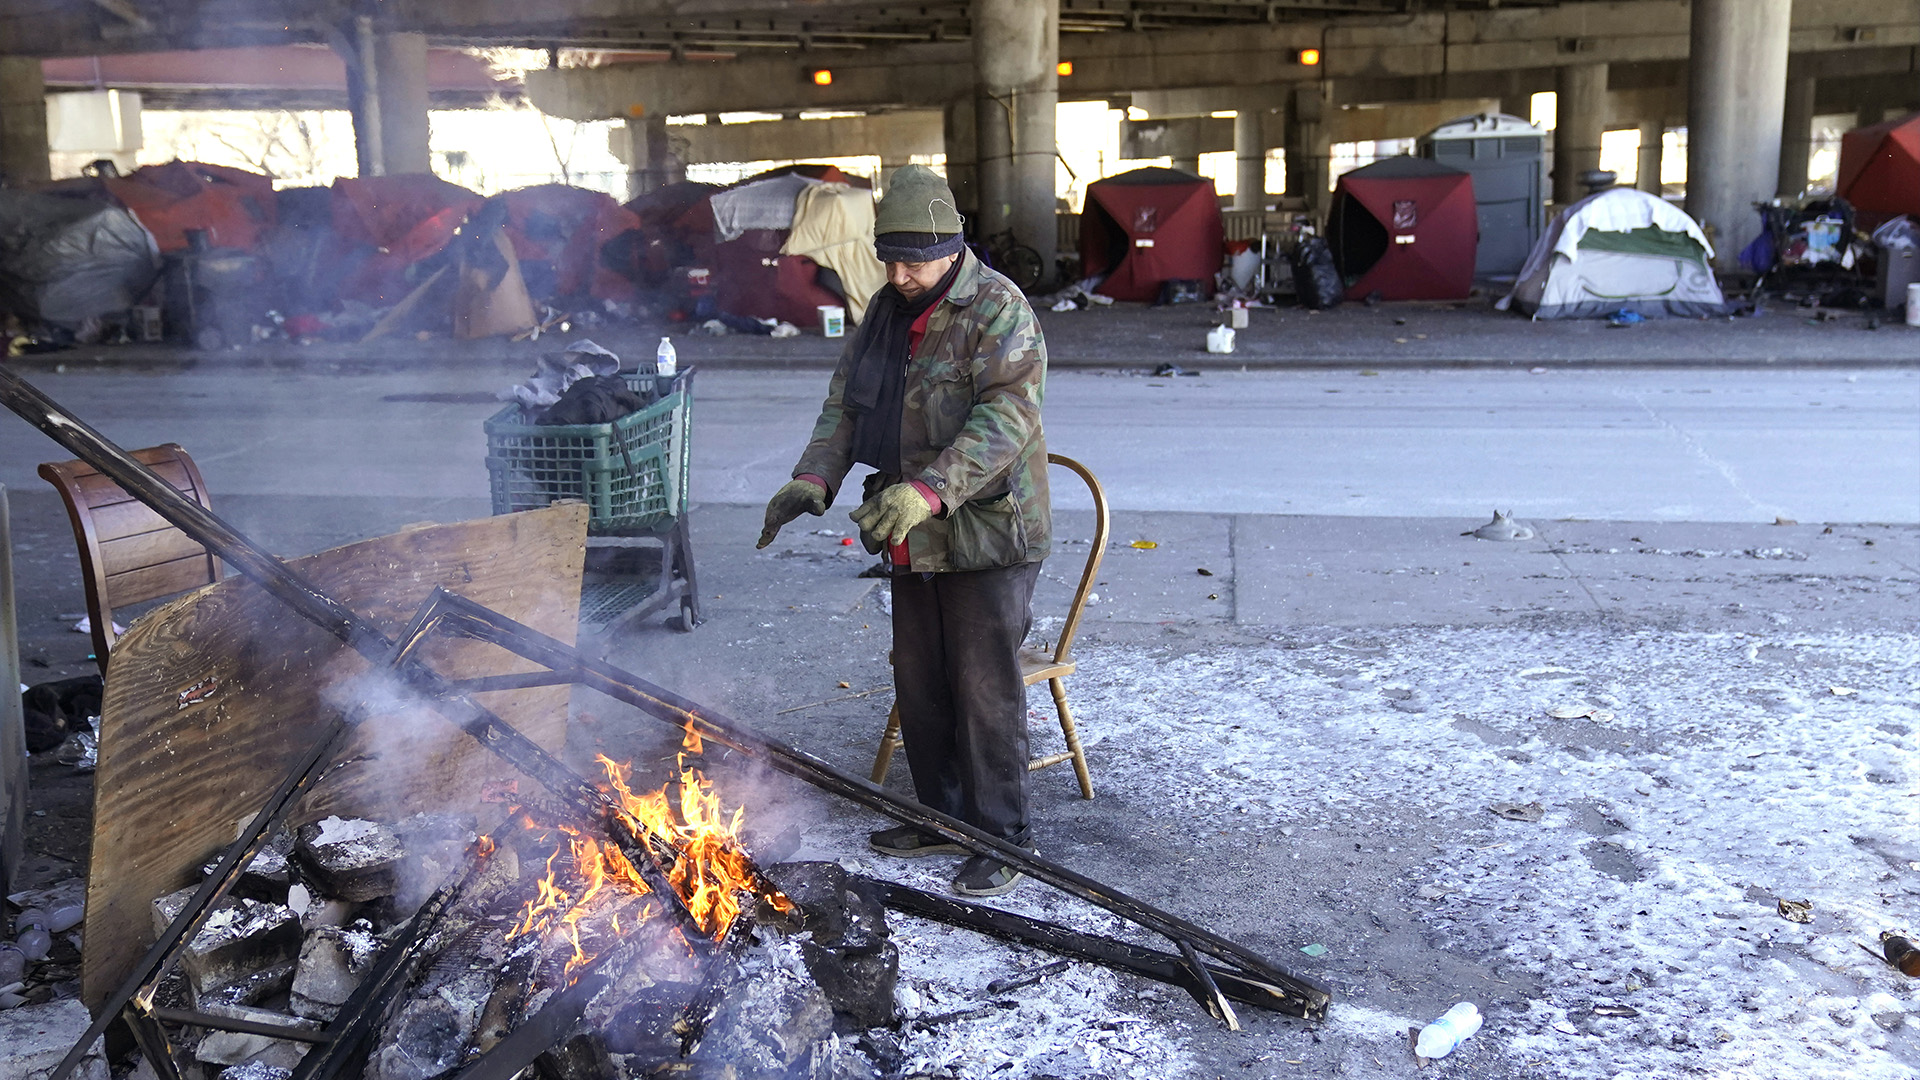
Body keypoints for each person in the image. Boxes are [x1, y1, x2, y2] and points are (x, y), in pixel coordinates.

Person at [756, 165, 1051, 897]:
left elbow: (1007, 420)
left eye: (914, 260)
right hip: (910, 532)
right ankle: (939, 815)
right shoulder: (886, 310)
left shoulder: (999, 309)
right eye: (890, 258)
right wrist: (814, 476)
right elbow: (846, 407)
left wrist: (929, 491)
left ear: (951, 248)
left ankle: (1002, 836)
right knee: (918, 680)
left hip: (986, 535)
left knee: (983, 687)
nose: (899, 273)